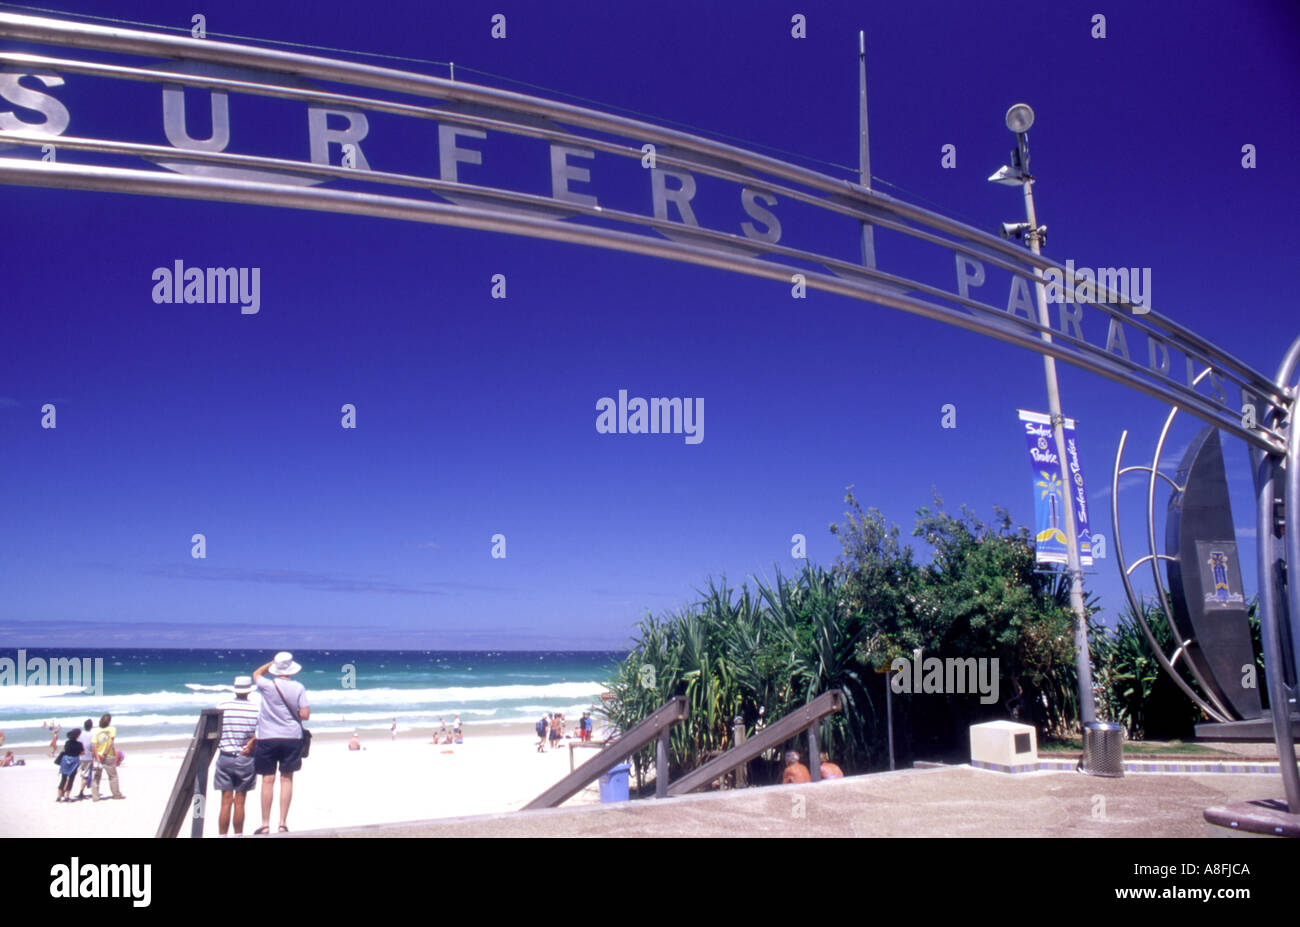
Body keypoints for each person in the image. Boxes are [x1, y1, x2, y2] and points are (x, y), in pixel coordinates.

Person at [252, 652, 309, 835]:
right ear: (291, 669)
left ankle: (265, 824)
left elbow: (256, 674)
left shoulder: (267, 685)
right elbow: (305, 715)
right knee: (287, 779)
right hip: (292, 737)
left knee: (267, 780)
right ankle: (283, 823)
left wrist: (270, 663)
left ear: (275, 668)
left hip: (268, 737)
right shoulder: (299, 687)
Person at [215, 675, 260, 835]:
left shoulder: (222, 705)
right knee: (240, 802)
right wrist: (250, 743)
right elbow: (260, 733)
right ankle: (238, 835)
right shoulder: (256, 708)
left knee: (225, 801)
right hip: (245, 757)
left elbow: (216, 729)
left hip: (225, 756)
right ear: (249, 691)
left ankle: (222, 835)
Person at [91, 714, 124, 800]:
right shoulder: (112, 729)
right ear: (109, 721)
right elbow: (110, 743)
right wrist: (105, 754)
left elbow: (94, 746)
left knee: (96, 777)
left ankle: (95, 797)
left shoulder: (96, 731)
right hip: (108, 756)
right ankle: (116, 795)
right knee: (113, 776)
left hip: (98, 756)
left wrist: (98, 757)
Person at [56, 729, 83, 802]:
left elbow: (65, 750)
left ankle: (58, 796)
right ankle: (67, 796)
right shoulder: (79, 744)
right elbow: (82, 752)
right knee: (71, 779)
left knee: (63, 778)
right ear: (77, 736)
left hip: (65, 760)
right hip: (74, 761)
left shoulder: (67, 742)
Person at [75, 719, 95, 799]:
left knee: (73, 774)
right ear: (91, 726)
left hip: (79, 756)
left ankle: (65, 791)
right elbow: (92, 747)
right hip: (88, 757)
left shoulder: (80, 734)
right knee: (85, 775)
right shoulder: (92, 735)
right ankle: (81, 792)